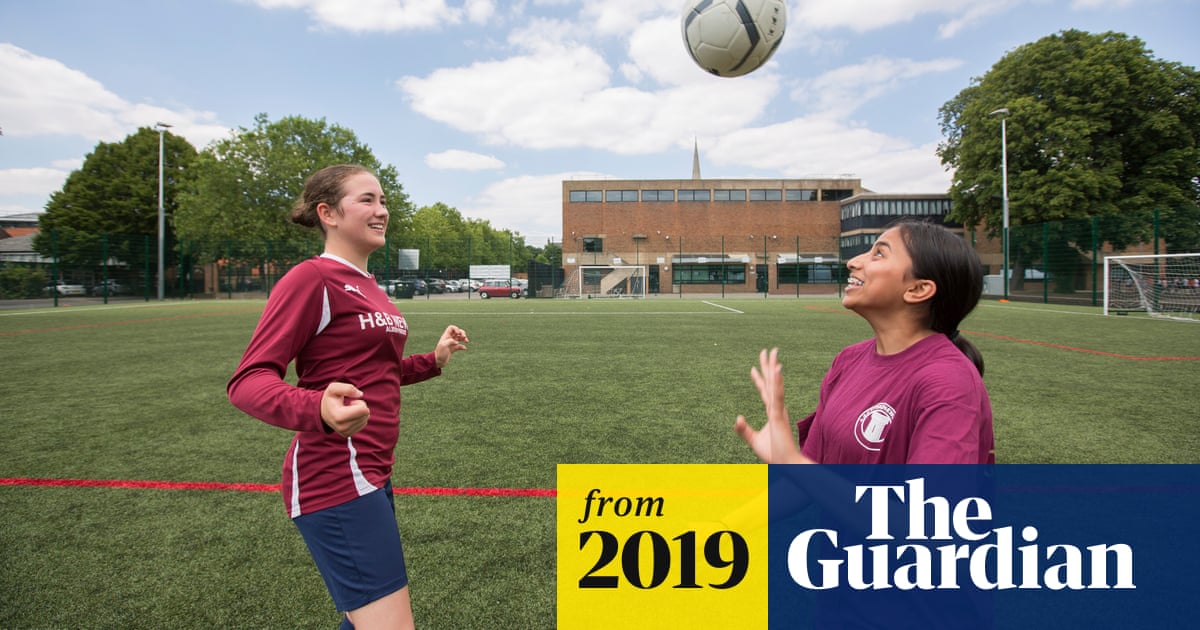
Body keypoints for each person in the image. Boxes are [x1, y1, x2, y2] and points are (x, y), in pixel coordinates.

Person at [228, 164, 469, 630]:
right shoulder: (312, 278)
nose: (382, 210)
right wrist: (316, 406)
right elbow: (248, 380)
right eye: (367, 200)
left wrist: (433, 360)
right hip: (334, 476)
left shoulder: (370, 286)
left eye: (383, 201)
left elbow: (375, 373)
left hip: (373, 471)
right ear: (328, 213)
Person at [735, 219, 994, 465]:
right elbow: (810, 475)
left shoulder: (949, 382)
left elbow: (926, 499)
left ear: (918, 290)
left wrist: (793, 462)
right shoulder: (847, 360)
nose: (853, 262)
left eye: (879, 254)